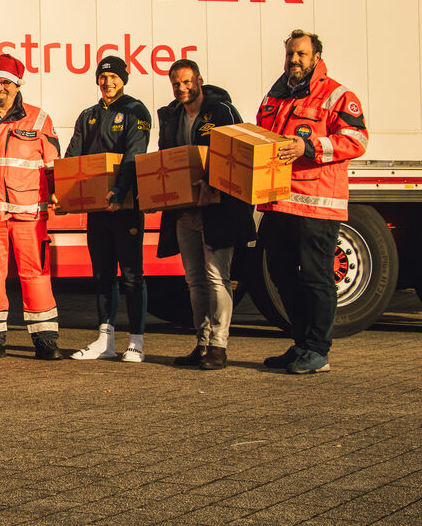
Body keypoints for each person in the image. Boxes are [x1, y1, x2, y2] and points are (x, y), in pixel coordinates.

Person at [258, 30, 368, 374]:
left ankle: (318, 350)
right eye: (290, 54)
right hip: (280, 200)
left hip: (318, 203)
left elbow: (357, 140)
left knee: (316, 277)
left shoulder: (337, 95)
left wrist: (310, 147)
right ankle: (302, 342)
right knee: (278, 271)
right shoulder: (276, 95)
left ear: (316, 57)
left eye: (301, 54)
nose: (294, 60)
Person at [156, 60, 255, 370]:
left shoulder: (222, 111)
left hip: (218, 210)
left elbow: (237, 154)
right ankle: (202, 343)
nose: (181, 88)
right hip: (185, 210)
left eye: (186, 82)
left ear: (199, 80)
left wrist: (210, 180)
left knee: (216, 278)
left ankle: (219, 346)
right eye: (175, 83)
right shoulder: (171, 116)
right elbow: (166, 157)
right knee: (194, 280)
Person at [60, 56, 151, 363]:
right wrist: (64, 194)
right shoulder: (88, 116)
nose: (108, 81)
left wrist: (120, 191)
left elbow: (134, 155)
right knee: (102, 274)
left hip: (125, 206)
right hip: (97, 209)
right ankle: (105, 340)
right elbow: (74, 158)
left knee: (131, 275)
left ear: (123, 79)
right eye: (103, 76)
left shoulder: (135, 111)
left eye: (113, 76)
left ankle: (136, 341)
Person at [0, 54, 62, 361]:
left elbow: (52, 164)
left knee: (36, 273)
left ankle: (45, 340)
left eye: (5, 82)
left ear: (16, 85)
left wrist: (58, 192)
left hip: (29, 212)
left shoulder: (38, 118)